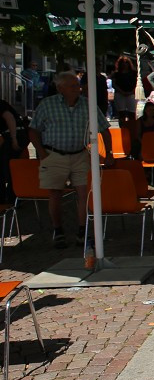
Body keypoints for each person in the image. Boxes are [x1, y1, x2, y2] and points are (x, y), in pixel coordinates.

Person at [28, 71, 113, 249]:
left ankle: (82, 232)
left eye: (78, 85)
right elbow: (33, 130)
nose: (78, 88)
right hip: (54, 155)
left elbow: (104, 128)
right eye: (73, 85)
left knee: (84, 194)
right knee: (55, 194)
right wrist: (42, 153)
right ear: (61, 88)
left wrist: (110, 153)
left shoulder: (87, 105)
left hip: (80, 154)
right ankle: (58, 231)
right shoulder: (47, 105)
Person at [0, 97, 20, 204]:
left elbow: (10, 118)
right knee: (5, 166)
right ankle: (6, 197)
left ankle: (12, 198)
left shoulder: (1, 105)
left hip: (14, 134)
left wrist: (14, 139)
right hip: (7, 135)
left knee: (8, 167)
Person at [110, 55, 138, 130]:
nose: (124, 64)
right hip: (120, 94)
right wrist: (121, 92)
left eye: (126, 62)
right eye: (123, 62)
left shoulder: (134, 73)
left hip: (131, 94)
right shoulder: (116, 74)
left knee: (132, 113)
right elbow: (114, 84)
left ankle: (132, 129)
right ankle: (123, 129)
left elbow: (137, 83)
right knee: (121, 113)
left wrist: (131, 92)